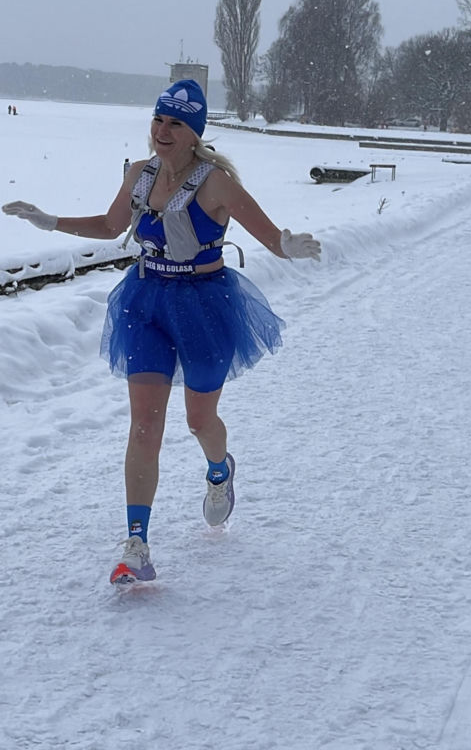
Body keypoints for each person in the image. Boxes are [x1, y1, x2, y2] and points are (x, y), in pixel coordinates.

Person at [2, 79, 321, 586]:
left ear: (195, 132)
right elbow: (110, 228)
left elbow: (271, 235)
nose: (162, 131)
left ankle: (220, 472)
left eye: (175, 123)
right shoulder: (139, 174)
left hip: (205, 306)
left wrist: (290, 245)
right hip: (146, 303)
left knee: (199, 420)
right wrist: (50, 220)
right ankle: (137, 543)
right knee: (144, 426)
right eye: (158, 119)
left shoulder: (216, 183)